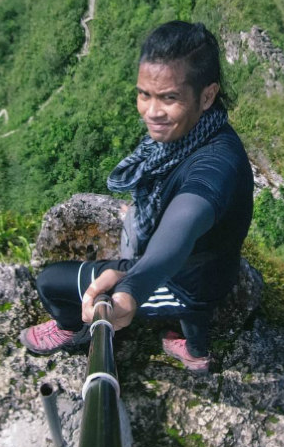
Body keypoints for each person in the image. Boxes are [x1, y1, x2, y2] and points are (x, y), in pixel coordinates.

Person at [20, 21, 254, 373]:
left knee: (51, 283)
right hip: (212, 269)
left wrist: (131, 288)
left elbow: (182, 227)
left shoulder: (217, 165)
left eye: (169, 97)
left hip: (182, 281)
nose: (151, 111)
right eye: (145, 94)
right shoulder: (194, 135)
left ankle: (71, 329)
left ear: (206, 95)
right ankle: (194, 345)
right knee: (193, 308)